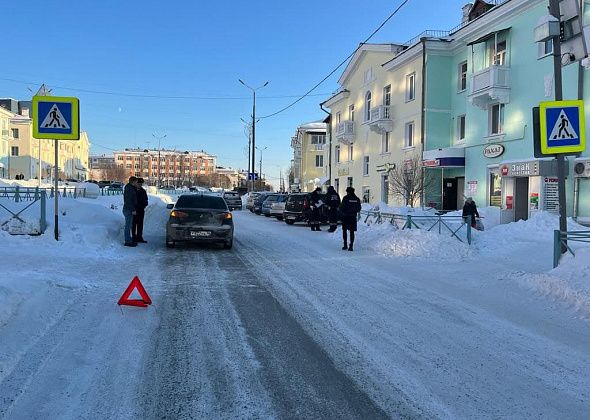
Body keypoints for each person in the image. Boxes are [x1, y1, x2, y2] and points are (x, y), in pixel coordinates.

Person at [339, 186, 361, 251]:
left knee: (344, 231)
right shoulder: (357, 199)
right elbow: (359, 208)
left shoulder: (345, 198)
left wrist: (344, 212)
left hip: (345, 217)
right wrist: (353, 211)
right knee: (352, 232)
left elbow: (342, 207)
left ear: (347, 192)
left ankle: (345, 245)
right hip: (353, 217)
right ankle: (351, 246)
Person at [123, 176, 138, 247]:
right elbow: (129, 201)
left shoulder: (130, 187)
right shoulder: (129, 189)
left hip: (128, 209)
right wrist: (133, 209)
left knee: (129, 225)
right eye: (136, 182)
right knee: (128, 226)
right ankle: (127, 241)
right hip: (128, 209)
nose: (136, 183)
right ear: (133, 181)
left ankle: (129, 239)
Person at [133, 178, 148, 243]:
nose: (140, 185)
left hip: (141, 210)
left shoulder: (143, 191)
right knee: (133, 224)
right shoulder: (133, 190)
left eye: (141, 184)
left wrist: (144, 205)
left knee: (140, 224)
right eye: (139, 184)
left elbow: (146, 200)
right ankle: (134, 237)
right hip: (134, 210)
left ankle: (139, 237)